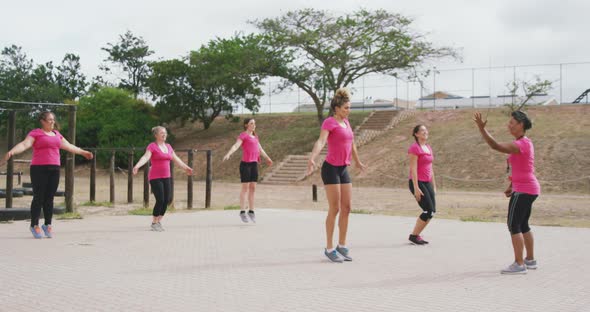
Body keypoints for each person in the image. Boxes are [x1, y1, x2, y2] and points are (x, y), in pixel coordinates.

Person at [0, 111, 93, 239]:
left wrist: (83, 152)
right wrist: (12, 152)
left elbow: (69, 146)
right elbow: (24, 144)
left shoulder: (57, 135)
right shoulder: (36, 133)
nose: (52, 122)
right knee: (39, 197)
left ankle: (47, 224)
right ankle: (34, 225)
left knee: (49, 198)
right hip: (39, 169)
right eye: (49, 119)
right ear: (42, 121)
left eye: (53, 119)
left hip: (54, 169)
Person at [473, 110, 540, 275]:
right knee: (523, 225)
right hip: (526, 188)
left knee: (513, 225)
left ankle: (519, 264)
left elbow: (495, 146)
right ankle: (530, 260)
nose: (508, 125)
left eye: (512, 123)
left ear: (521, 125)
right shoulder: (522, 143)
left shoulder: (521, 143)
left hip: (524, 190)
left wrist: (482, 129)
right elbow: (522, 167)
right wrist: (511, 184)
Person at [307, 88, 367, 263]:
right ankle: (329, 247)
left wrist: (357, 161)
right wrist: (312, 158)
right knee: (335, 208)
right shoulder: (329, 123)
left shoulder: (346, 123)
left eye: (349, 108)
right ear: (337, 108)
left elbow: (352, 144)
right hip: (331, 168)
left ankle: (342, 245)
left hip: (343, 169)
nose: (349, 111)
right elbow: (321, 141)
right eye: (346, 108)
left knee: (347, 208)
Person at [133, 126, 193, 231]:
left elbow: (176, 159)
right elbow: (146, 157)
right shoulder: (152, 146)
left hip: (167, 177)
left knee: (167, 200)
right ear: (156, 135)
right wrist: (137, 166)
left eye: (165, 133)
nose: (164, 134)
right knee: (160, 199)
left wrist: (186, 167)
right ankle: (154, 222)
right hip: (155, 177)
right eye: (161, 133)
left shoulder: (169, 146)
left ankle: (158, 221)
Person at [223, 118, 273, 223]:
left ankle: (251, 211)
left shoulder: (255, 137)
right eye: (251, 123)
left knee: (253, 188)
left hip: (254, 164)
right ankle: (242, 212)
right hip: (245, 165)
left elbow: (260, 149)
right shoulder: (243, 135)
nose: (254, 125)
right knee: (245, 188)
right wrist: (229, 153)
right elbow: (236, 145)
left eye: (254, 123)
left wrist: (267, 158)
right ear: (246, 125)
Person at [407, 125, 436, 245]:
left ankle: (416, 235)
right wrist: (416, 188)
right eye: (422, 131)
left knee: (432, 211)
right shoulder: (414, 148)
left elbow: (431, 168)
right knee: (427, 211)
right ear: (416, 134)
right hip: (417, 182)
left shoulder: (428, 147)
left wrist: (434, 186)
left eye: (426, 130)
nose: (425, 132)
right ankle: (414, 236)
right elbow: (413, 169)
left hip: (427, 182)